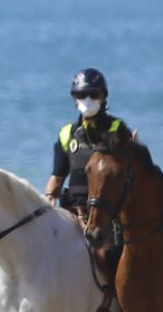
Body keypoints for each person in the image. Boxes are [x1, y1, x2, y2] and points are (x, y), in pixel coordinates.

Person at [46, 68, 131, 218]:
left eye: (93, 95)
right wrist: (49, 197)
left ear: (104, 97)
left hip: (107, 215)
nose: (88, 100)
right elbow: (57, 177)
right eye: (82, 95)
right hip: (74, 213)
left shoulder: (117, 129)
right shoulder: (67, 133)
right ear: (75, 98)